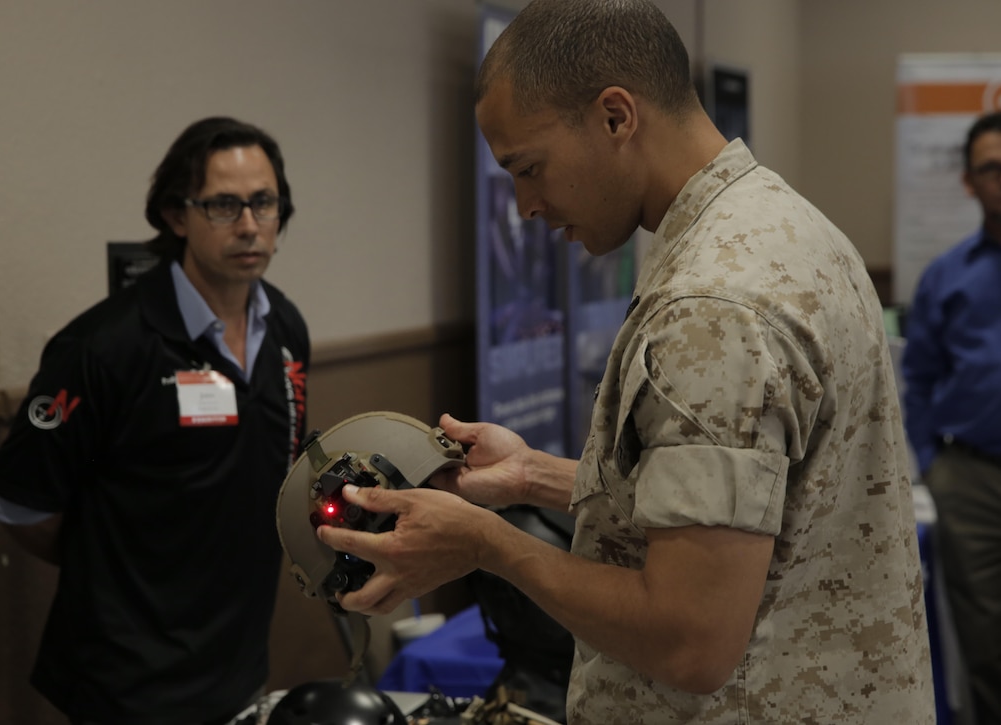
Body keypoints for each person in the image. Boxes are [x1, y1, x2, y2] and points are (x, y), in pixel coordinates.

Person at [315, 1, 935, 722]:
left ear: (616, 116)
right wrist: (534, 478)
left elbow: (688, 638)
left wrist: (487, 544)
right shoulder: (778, 225)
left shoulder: (712, 305)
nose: (524, 207)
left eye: (529, 167)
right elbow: (754, 510)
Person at [0, 117, 310, 725]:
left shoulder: (284, 328)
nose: (247, 225)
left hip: (237, 663)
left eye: (263, 203)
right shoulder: (105, 347)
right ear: (175, 216)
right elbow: (19, 502)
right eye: (222, 205)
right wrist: (119, 567)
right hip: (129, 683)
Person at [902, 108, 1001, 724]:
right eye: (991, 168)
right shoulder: (947, 276)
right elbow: (917, 379)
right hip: (972, 481)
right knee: (987, 636)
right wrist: (935, 466)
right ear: (970, 182)